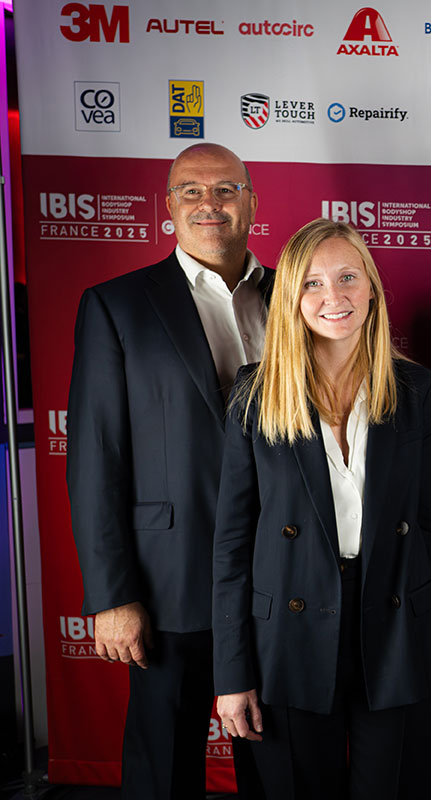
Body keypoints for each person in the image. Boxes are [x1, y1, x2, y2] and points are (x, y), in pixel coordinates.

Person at [210, 219, 431, 798]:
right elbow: (232, 544)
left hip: (396, 625)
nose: (334, 296)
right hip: (287, 636)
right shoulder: (255, 395)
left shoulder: (416, 390)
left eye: (348, 277)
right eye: (313, 283)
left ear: (371, 287)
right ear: (292, 298)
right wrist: (232, 672)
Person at [66, 143, 268, 799]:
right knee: (164, 766)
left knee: (278, 761)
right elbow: (96, 457)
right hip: (169, 580)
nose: (210, 203)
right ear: (169, 206)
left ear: (251, 203)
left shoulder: (298, 294)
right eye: (191, 191)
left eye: (226, 189)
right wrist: (112, 594)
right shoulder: (117, 305)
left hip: (282, 573)